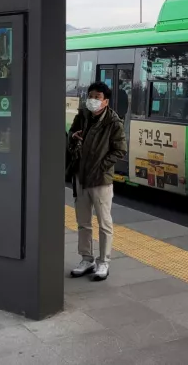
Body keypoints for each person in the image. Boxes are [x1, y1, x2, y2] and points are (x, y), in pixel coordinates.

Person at [66, 81, 127, 281]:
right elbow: (70, 136)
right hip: (81, 177)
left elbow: (120, 150)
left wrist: (102, 166)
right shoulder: (82, 115)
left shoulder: (113, 123)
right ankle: (87, 258)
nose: (92, 100)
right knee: (83, 223)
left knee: (104, 223)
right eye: (90, 96)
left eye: (97, 97)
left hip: (101, 179)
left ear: (106, 101)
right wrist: (73, 137)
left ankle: (104, 262)